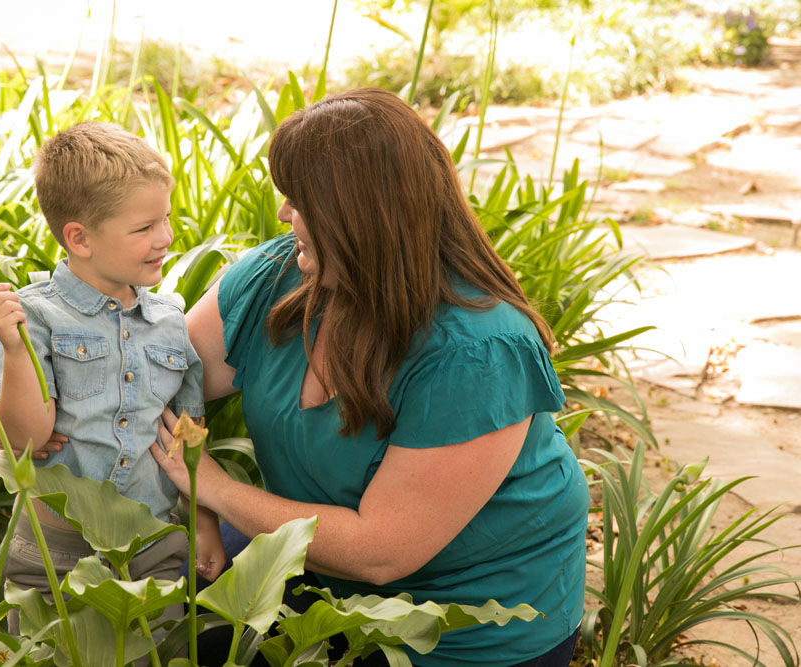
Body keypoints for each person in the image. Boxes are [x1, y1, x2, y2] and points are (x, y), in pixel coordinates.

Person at [150, 88, 590, 667]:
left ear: (360, 218)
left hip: (466, 623)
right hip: (311, 571)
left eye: (300, 201)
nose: (284, 215)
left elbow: (381, 550)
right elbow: (154, 377)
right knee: (154, 623)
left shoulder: (479, 350)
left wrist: (215, 489)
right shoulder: (278, 276)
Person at [0, 121, 226, 643]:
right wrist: (13, 349)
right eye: (144, 228)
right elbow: (23, 440)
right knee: (54, 653)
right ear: (80, 237)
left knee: (147, 653)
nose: (165, 238)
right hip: (57, 547)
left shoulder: (169, 319)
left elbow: (185, 436)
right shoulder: (37, 317)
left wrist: (202, 521)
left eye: (165, 220)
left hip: (152, 543)